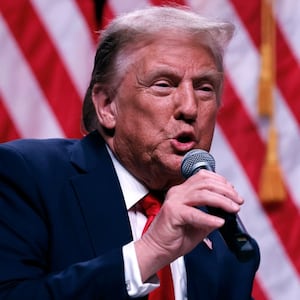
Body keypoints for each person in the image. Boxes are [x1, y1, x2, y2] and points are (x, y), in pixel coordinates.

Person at [0, 6, 260, 300]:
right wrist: (150, 252)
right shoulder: (27, 176)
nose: (189, 107)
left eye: (204, 88)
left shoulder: (216, 231)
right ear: (108, 105)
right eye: (163, 85)